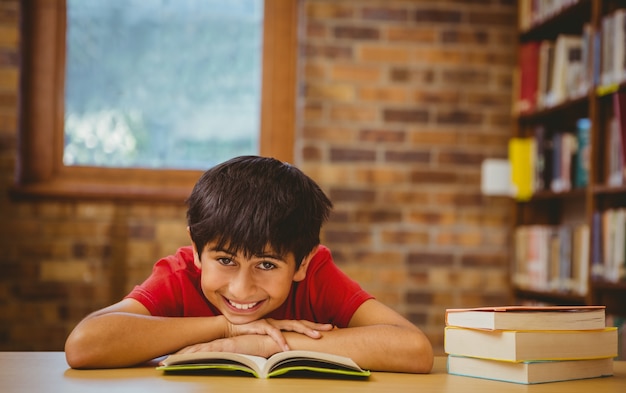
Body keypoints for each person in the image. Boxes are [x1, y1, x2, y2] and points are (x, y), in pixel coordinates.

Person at [65, 156, 433, 373]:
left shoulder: (316, 273)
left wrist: (268, 344)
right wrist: (224, 330)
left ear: (301, 262)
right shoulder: (180, 274)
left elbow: (413, 349)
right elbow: (84, 345)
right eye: (225, 260)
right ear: (196, 251)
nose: (241, 289)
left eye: (267, 265)